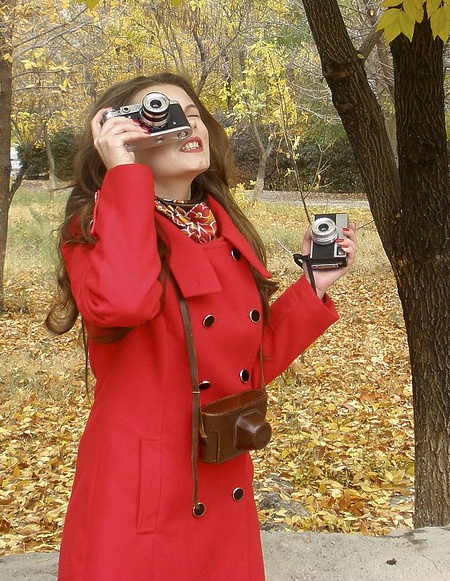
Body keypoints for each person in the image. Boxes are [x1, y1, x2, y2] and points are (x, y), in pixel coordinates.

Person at [45, 72, 355, 581]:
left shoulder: (220, 228)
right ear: (121, 138)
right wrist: (122, 173)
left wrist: (314, 285)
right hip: (144, 486)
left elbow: (246, 365)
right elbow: (123, 303)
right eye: (161, 115)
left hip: (221, 469)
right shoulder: (97, 227)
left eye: (194, 114)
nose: (189, 124)